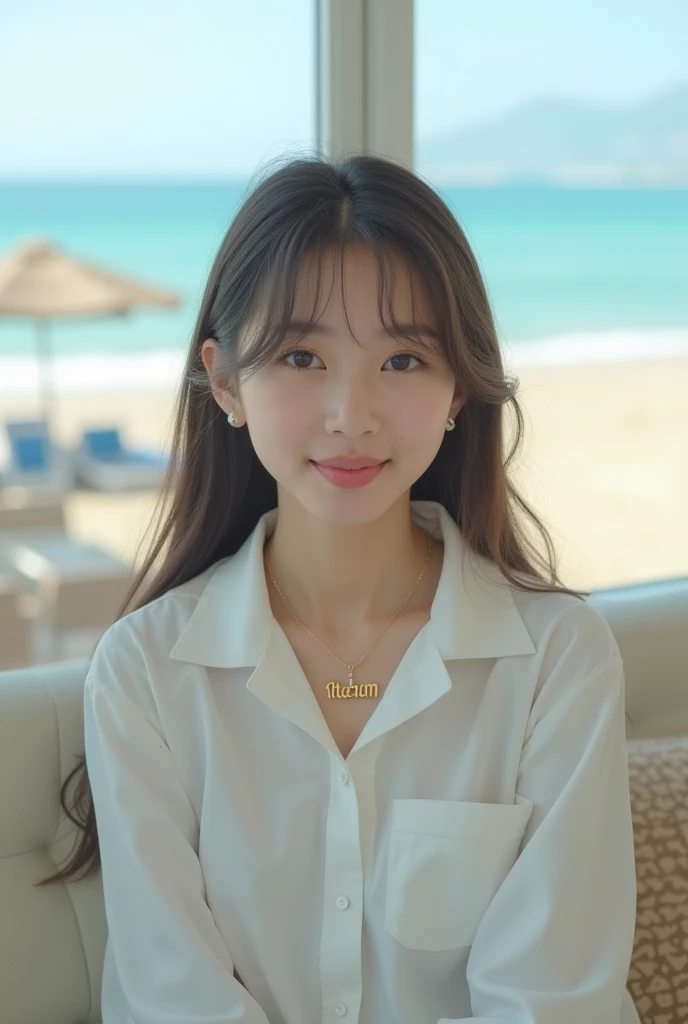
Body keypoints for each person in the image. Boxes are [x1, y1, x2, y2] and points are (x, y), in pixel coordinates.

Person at [38, 154, 640, 1023]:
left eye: (402, 360)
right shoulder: (145, 676)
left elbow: (550, 1005)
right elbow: (174, 1003)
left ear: (459, 390)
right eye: (300, 355)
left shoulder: (557, 661)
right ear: (224, 379)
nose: (351, 414)